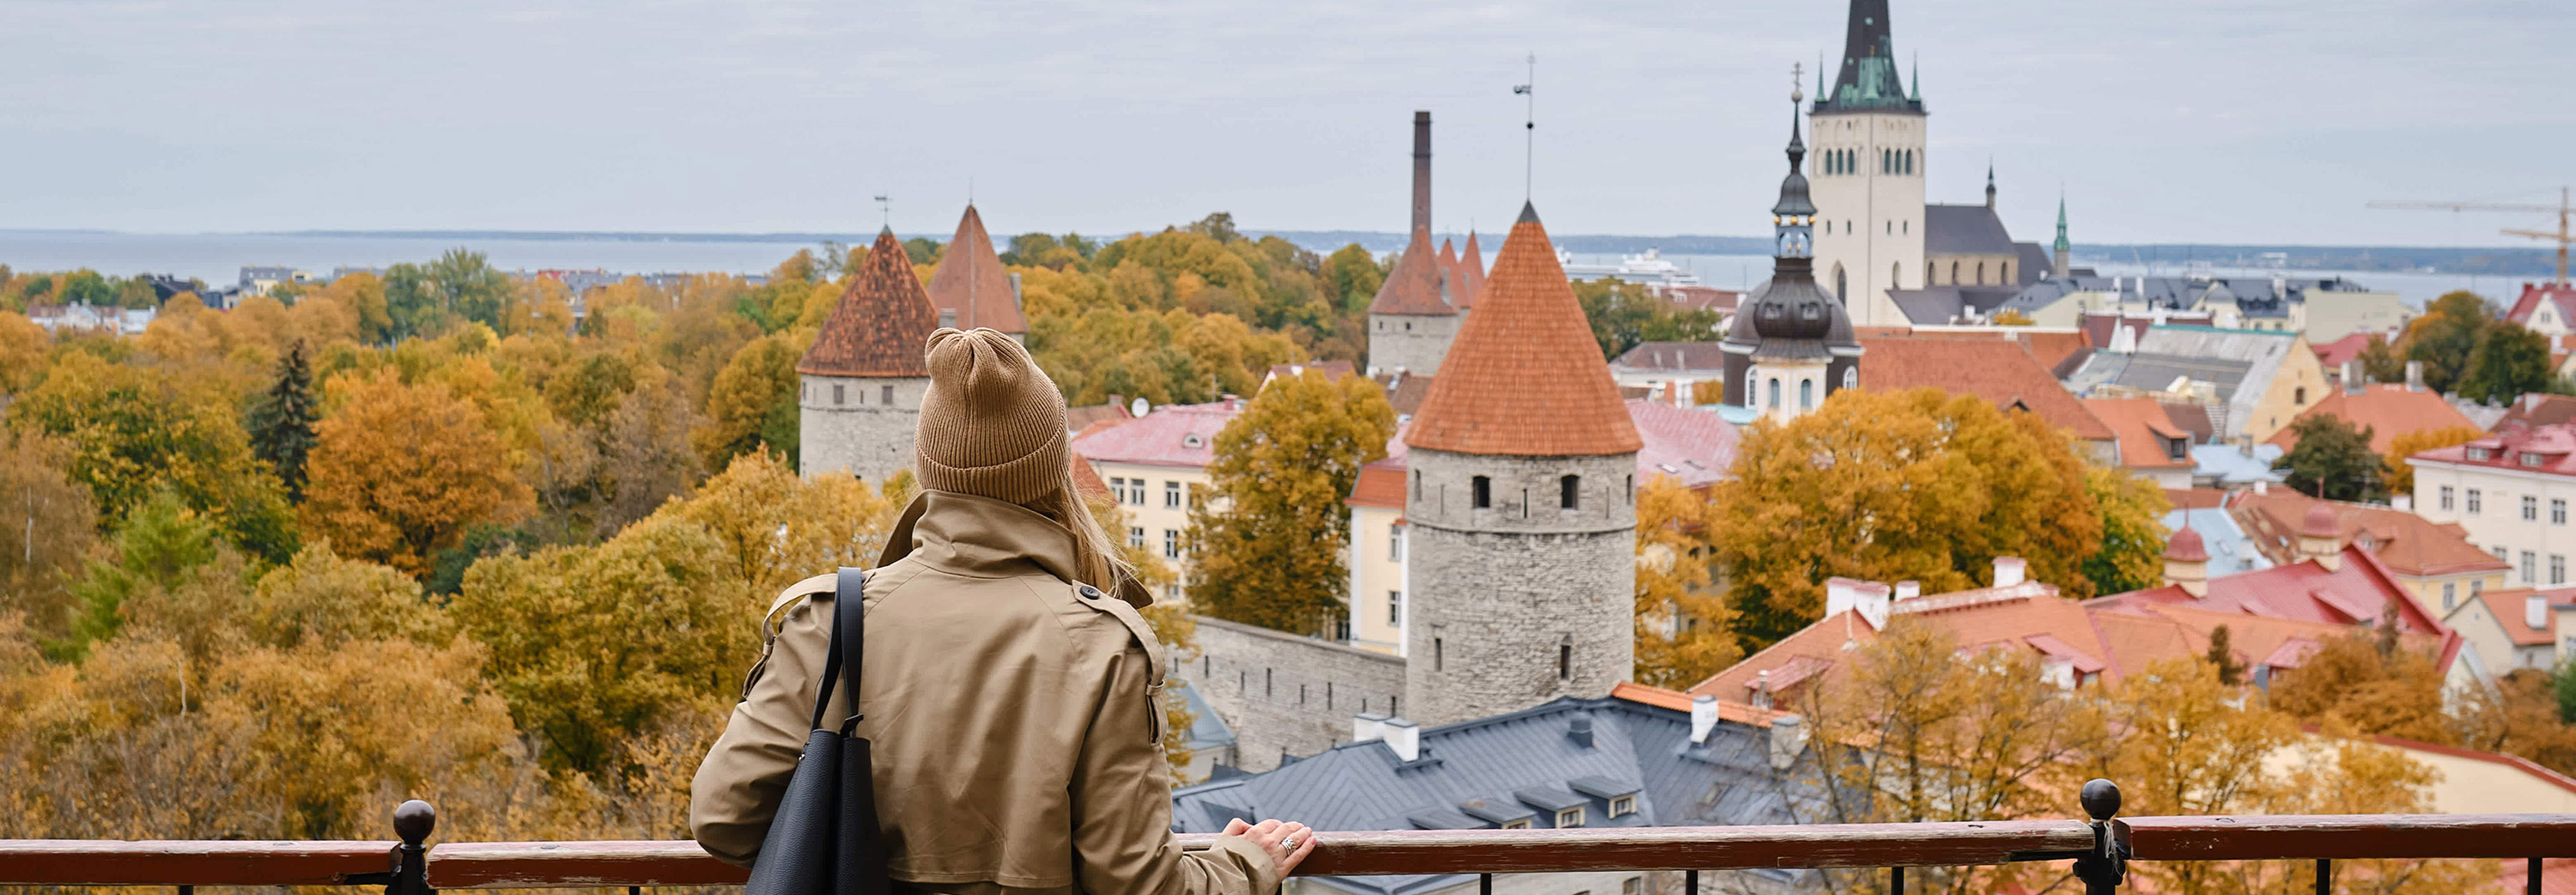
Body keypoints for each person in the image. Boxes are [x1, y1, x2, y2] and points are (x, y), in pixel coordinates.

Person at [691, 328, 1315, 895]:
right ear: (1052, 469)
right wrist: (1244, 864)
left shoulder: (830, 622)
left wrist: (845, 846)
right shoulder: (1101, 646)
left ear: (928, 468)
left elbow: (723, 818)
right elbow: (1135, 885)